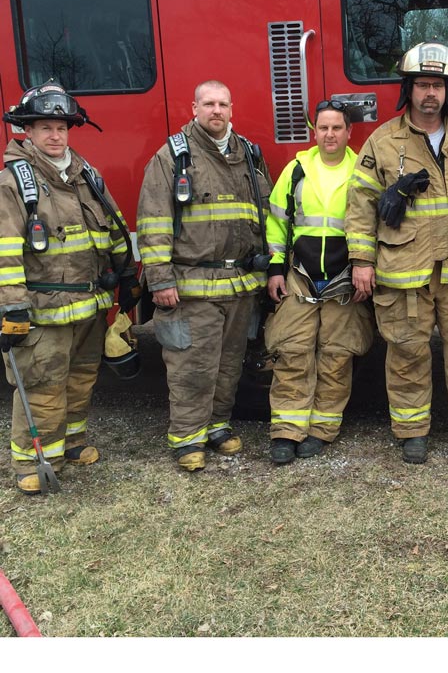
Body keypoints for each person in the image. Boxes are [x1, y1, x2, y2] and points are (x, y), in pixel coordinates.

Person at [346, 41, 448, 465]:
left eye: (437, 84)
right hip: (405, 269)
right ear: (409, 89)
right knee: (405, 352)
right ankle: (411, 431)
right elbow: (360, 205)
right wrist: (362, 261)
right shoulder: (383, 142)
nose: (430, 93)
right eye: (422, 84)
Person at [1, 81, 139, 494]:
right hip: (43, 309)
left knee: (80, 380)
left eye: (61, 128)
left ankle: (72, 443)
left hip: (89, 305)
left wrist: (128, 274)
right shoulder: (13, 184)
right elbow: (5, 250)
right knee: (43, 386)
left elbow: (113, 226)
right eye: (44, 128)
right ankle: (33, 462)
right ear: (26, 131)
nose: (55, 136)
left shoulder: (85, 175)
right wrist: (12, 306)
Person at [137, 80, 273, 472]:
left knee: (230, 363)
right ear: (193, 107)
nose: (216, 111)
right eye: (209, 104)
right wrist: (160, 280)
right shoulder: (172, 157)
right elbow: (153, 222)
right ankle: (186, 439)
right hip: (191, 286)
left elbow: (264, 216)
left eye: (223, 104)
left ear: (232, 109)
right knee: (192, 366)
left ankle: (217, 426)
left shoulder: (248, 154)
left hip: (240, 285)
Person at [265, 100, 374, 464]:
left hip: (345, 279)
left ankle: (322, 429)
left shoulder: (362, 171)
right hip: (300, 277)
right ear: (315, 132)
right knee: (292, 353)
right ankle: (286, 431)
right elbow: (277, 223)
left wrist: (364, 266)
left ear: (349, 132)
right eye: (323, 128)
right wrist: (276, 268)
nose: (329, 134)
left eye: (336, 128)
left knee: (336, 356)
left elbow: (372, 225)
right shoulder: (296, 170)